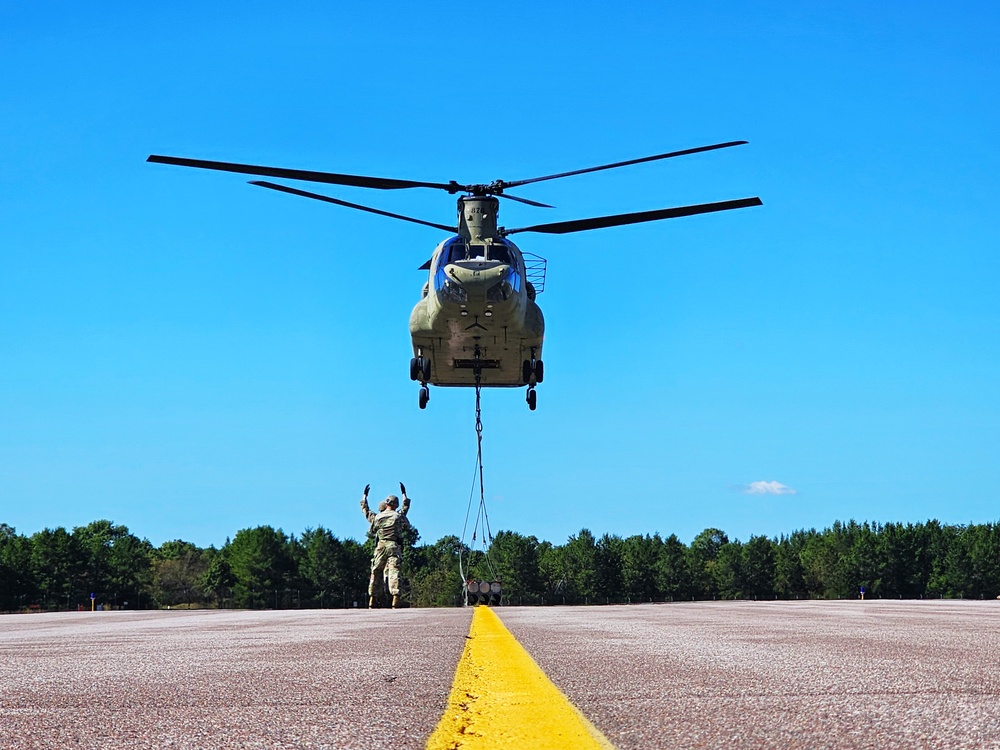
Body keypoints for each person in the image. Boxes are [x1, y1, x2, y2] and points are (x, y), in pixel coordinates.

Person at [360, 482, 411, 609]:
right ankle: (396, 598)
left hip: (380, 546)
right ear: (396, 505)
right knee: (394, 571)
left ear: (386, 504)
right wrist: (404, 494)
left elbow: (367, 513)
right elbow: (406, 521)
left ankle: (373, 598)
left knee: (376, 571)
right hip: (393, 545)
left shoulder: (377, 517)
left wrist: (364, 497)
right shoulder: (398, 516)